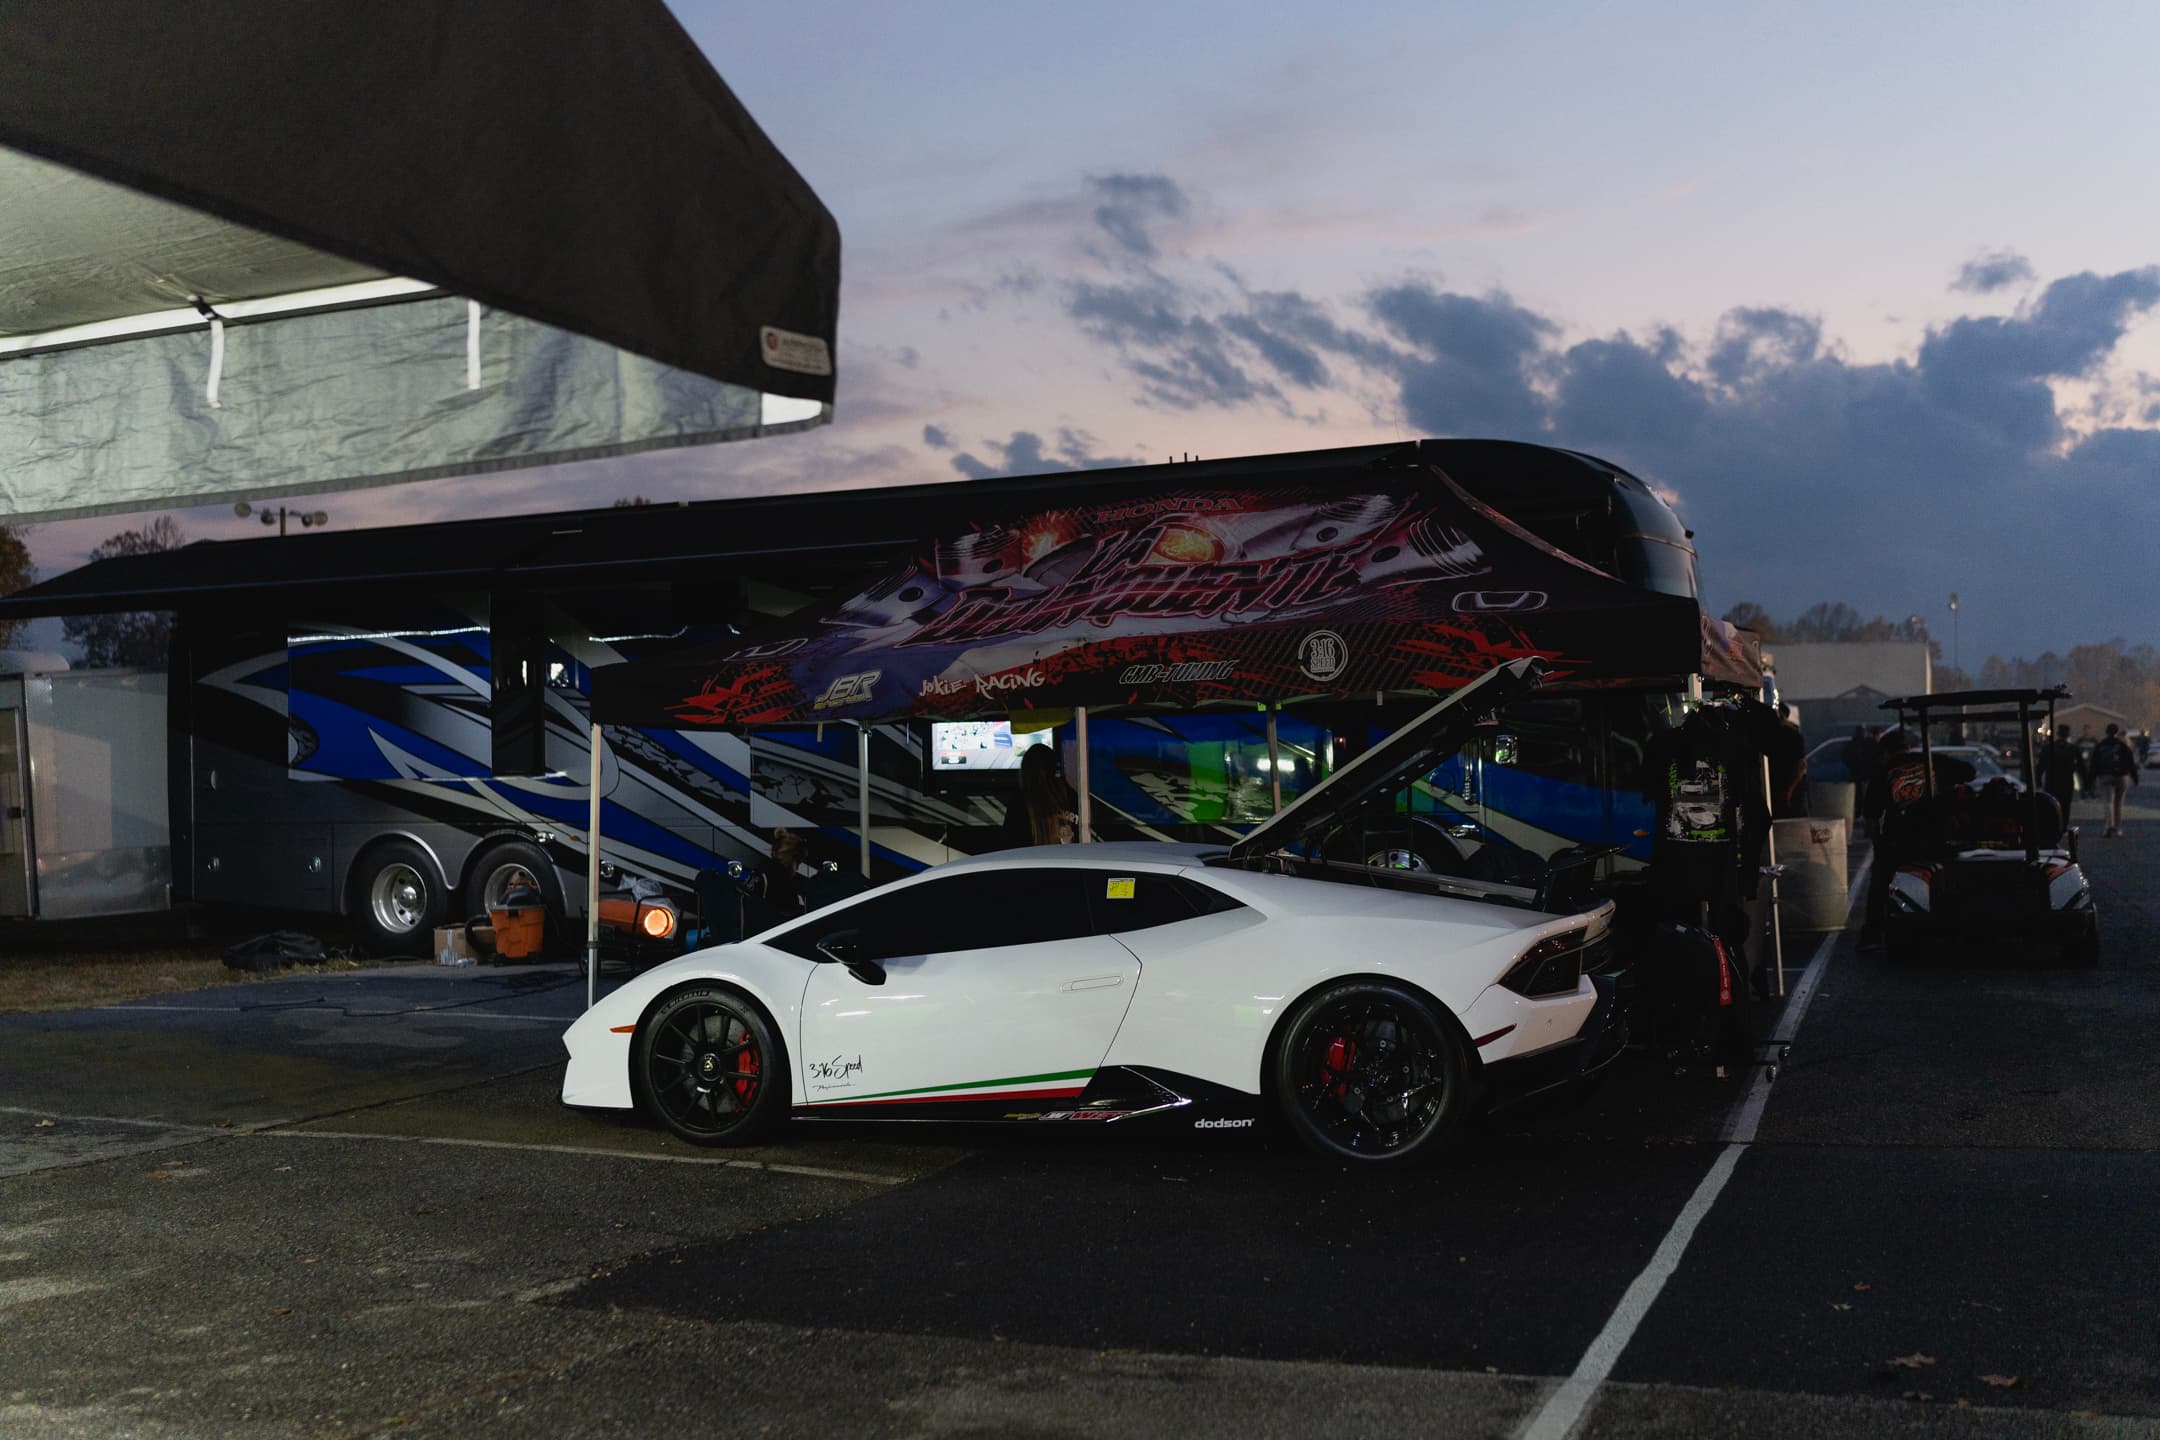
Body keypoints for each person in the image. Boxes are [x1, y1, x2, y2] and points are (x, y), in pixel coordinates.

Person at [999, 742, 1079, 847]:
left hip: (1032, 861)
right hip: (1067, 859)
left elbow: (1010, 841)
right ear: (1053, 768)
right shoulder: (1067, 794)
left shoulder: (1020, 800)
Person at [2089, 722, 2140, 838]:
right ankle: (2118, 828)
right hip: (2121, 776)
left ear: (2106, 732)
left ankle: (2108, 826)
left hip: (2105, 775)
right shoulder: (2122, 746)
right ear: (2117, 732)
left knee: (2108, 802)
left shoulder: (2101, 746)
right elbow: (2130, 762)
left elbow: (2094, 764)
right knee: (2118, 803)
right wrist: (2134, 777)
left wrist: (2090, 781)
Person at [2042, 729, 2082, 832]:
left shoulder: (2048, 748)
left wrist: (2038, 778)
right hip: (2066, 781)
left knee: (2051, 804)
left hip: (2051, 780)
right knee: (2065, 805)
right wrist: (2086, 781)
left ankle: (2052, 825)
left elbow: (2041, 765)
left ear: (2058, 734)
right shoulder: (2073, 749)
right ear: (2068, 735)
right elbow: (2080, 766)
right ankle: (2063, 826)